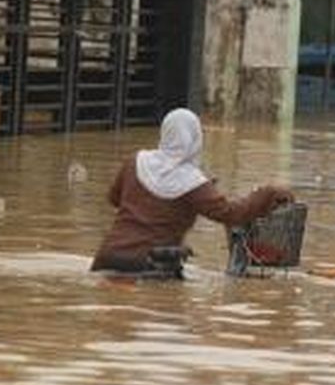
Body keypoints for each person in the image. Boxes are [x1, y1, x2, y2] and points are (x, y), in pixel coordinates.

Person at [91, 108, 294, 276]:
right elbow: (231, 214)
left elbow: (115, 199)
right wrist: (269, 192)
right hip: (150, 265)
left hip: (107, 258)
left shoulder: (136, 161)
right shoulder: (193, 183)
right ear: (195, 139)